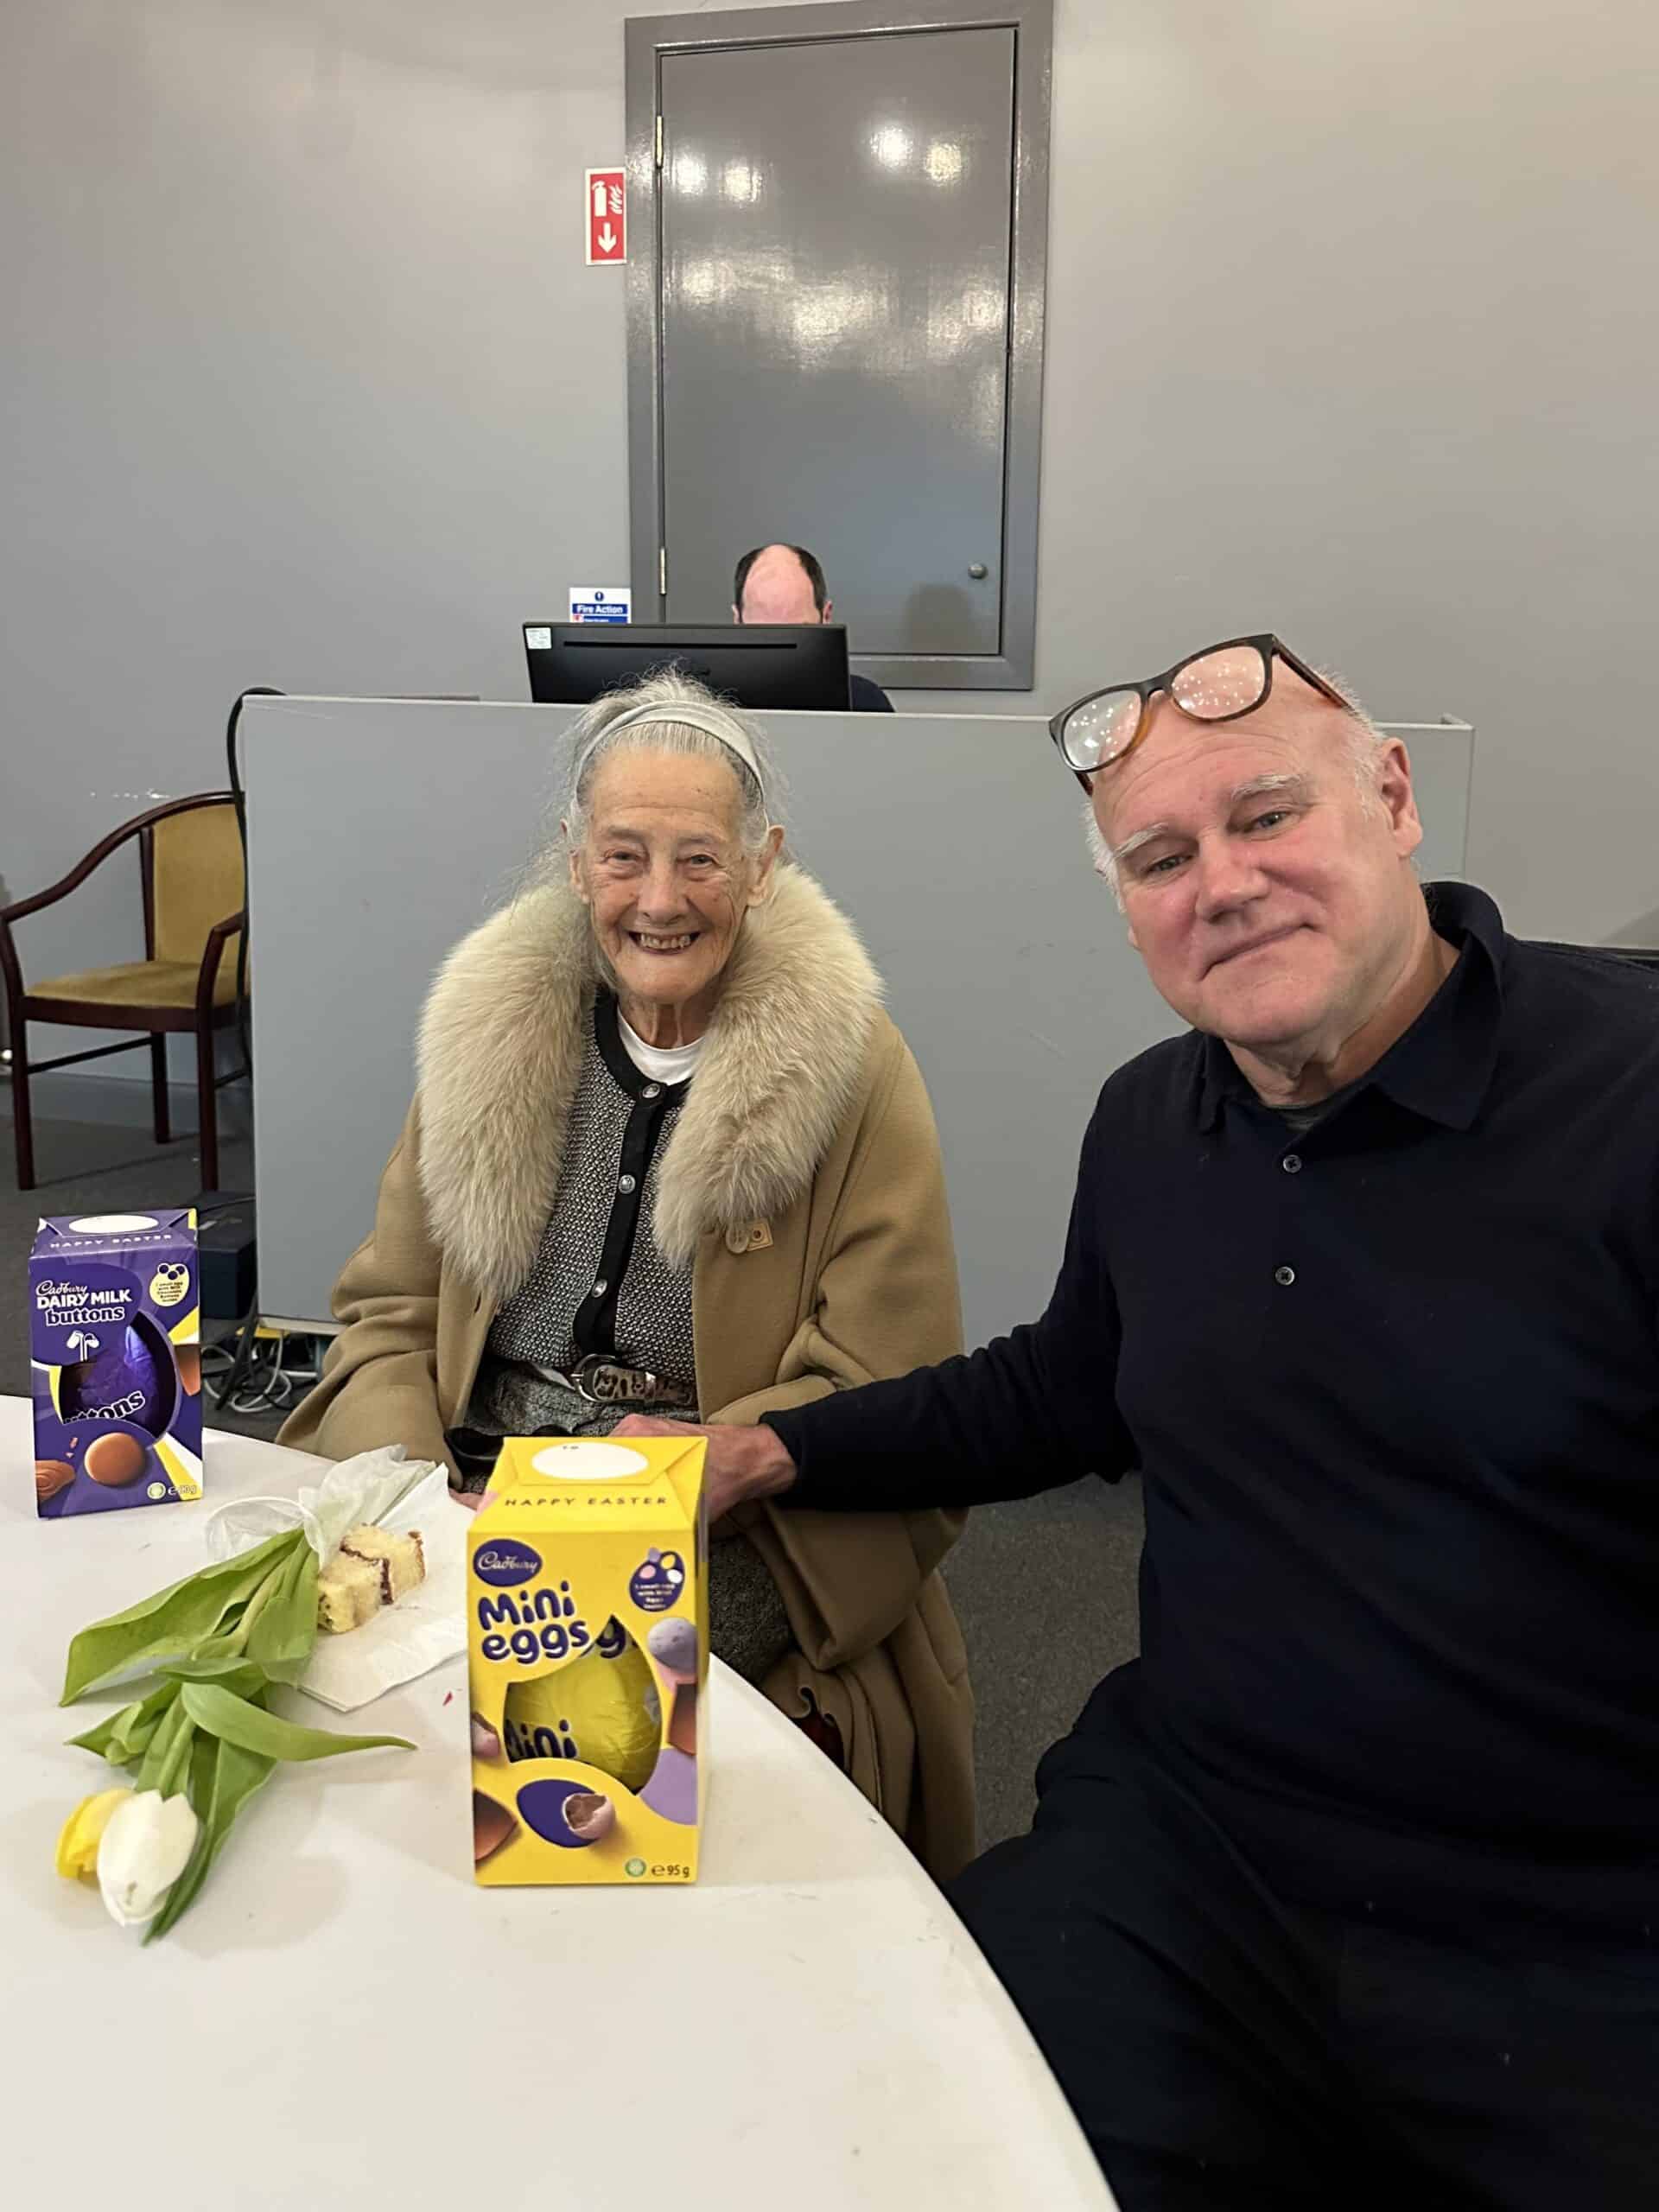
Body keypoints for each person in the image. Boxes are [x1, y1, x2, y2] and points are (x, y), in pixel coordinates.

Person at [619, 634, 1659, 2210]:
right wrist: (770, 1450)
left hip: (1573, 1917)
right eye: (1161, 856)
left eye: (1268, 818)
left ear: (1392, 802)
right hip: (1200, 1843)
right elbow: (1060, 1389)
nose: (1222, 885)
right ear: (1128, 906)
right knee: (885, 2138)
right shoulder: (1152, 1123)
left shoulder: (1628, 1095)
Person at [279, 671, 973, 1876]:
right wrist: (410, 1495)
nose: (660, 900)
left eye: (700, 859)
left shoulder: (855, 1067)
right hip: (476, 1478)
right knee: (347, 1722)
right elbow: (391, 1312)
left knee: (582, 1746)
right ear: (574, 861)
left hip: (725, 1513)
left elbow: (889, 1382)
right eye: (624, 856)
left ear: (763, 866)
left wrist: (681, 1488)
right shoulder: (486, 1033)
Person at [732, 541, 894, 711]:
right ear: (737, 620)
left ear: (826, 616)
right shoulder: (710, 713)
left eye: (797, 634)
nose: (780, 661)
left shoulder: (867, 703)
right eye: (762, 635)